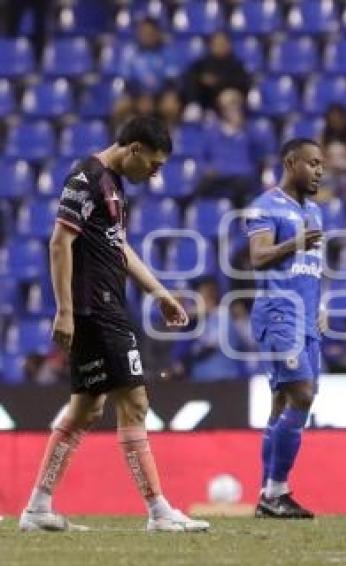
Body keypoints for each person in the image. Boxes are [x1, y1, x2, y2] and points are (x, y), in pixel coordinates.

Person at [18, 116, 209, 533]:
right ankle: (159, 511)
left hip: (103, 306)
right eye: (154, 165)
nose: (156, 174)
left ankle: (38, 507)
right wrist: (64, 310)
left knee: (87, 408)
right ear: (134, 149)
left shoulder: (113, 184)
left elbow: (117, 247)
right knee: (135, 403)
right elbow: (59, 242)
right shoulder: (86, 179)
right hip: (95, 308)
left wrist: (159, 292)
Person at [246, 138, 325, 519]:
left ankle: (267, 496)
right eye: (312, 163)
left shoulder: (316, 213)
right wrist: (294, 242)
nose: (319, 171)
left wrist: (321, 305)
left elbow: (312, 268)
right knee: (303, 394)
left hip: (307, 318)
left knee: (283, 404)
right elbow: (258, 257)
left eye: (322, 165)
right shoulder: (265, 206)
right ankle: (276, 490)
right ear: (290, 162)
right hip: (278, 311)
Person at [182, 31, 251, 112]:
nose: (220, 46)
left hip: (228, 101)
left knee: (229, 97)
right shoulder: (201, 64)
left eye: (223, 43)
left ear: (229, 45)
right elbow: (192, 80)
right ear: (211, 46)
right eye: (217, 44)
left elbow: (242, 83)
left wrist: (217, 82)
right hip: (205, 101)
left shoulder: (236, 65)